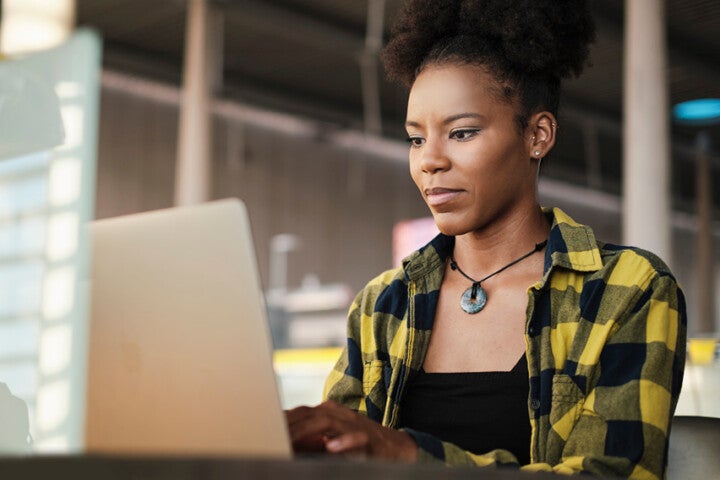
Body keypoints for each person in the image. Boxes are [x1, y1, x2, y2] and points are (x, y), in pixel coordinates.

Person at [286, 0, 687, 478]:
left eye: (461, 132)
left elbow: (610, 474)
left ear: (537, 135)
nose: (429, 161)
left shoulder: (627, 291)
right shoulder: (383, 306)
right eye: (416, 139)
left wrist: (407, 456)